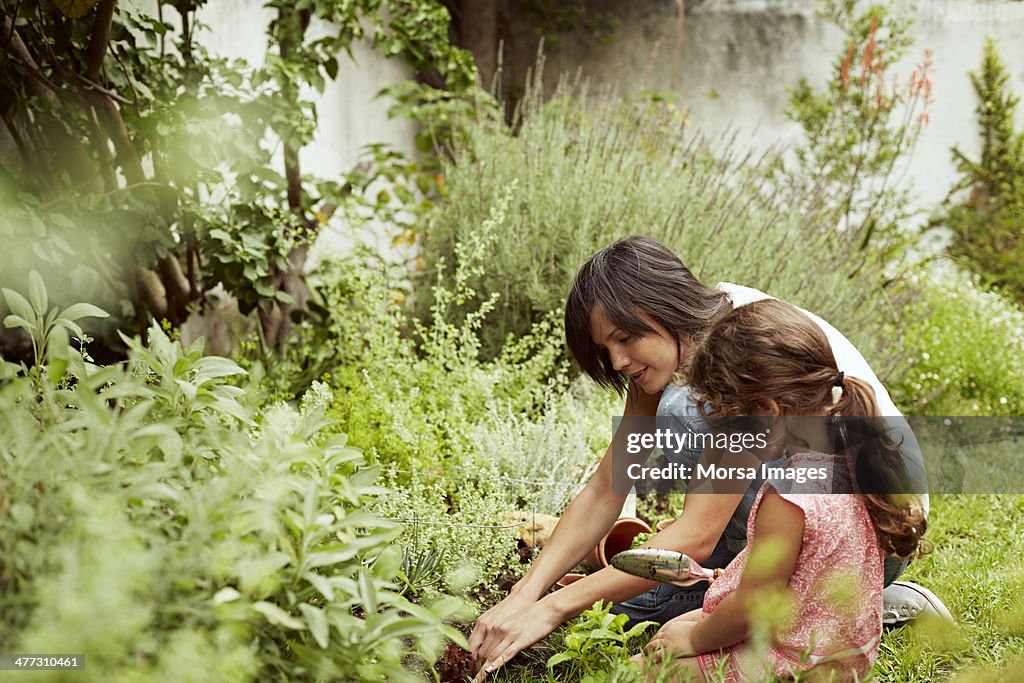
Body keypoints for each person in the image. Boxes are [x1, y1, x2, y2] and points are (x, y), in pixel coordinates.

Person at [469, 236, 938, 680]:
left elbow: (694, 538)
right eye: (604, 349)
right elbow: (609, 484)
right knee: (639, 603)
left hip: (874, 530)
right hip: (827, 518)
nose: (616, 362)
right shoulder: (681, 333)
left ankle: (868, 600)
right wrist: (524, 594)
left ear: (662, 308)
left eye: (624, 338)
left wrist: (554, 607)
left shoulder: (738, 361)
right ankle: (827, 602)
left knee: (664, 618)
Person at [632, 297, 931, 681]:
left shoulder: (787, 496)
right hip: (841, 652)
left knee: (641, 669)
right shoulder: (854, 456)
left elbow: (753, 605)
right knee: (681, 626)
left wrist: (694, 641)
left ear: (769, 412)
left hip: (794, 662)